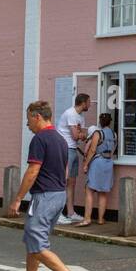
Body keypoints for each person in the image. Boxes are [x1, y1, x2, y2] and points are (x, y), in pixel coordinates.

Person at [6, 101, 87, 271]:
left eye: (28, 119)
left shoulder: (39, 139)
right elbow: (66, 170)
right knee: (33, 241)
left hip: (44, 197)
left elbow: (33, 171)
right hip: (58, 195)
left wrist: (17, 199)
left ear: (37, 117)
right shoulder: (61, 139)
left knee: (38, 244)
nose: (27, 124)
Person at [57, 93, 90, 225]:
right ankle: (58, 213)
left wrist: (80, 134)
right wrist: (81, 134)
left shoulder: (80, 116)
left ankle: (70, 212)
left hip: (73, 149)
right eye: (88, 102)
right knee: (62, 181)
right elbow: (77, 136)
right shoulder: (70, 113)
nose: (90, 104)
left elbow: (81, 134)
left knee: (72, 182)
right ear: (82, 103)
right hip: (65, 149)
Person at [80, 112, 116, 227]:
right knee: (103, 192)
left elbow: (92, 150)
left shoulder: (98, 133)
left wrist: (86, 164)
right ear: (110, 122)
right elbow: (113, 150)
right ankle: (101, 219)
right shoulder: (114, 134)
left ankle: (87, 218)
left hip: (98, 162)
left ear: (100, 122)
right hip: (108, 163)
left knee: (89, 190)